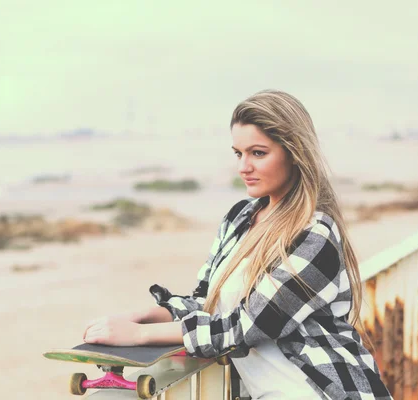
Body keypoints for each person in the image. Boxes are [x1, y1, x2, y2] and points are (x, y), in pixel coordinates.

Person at [82, 90, 392, 400]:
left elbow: (247, 326)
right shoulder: (239, 218)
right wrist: (146, 315)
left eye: (258, 153)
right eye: (238, 153)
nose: (244, 166)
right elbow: (208, 304)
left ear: (294, 152)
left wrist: (139, 336)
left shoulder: (315, 235)